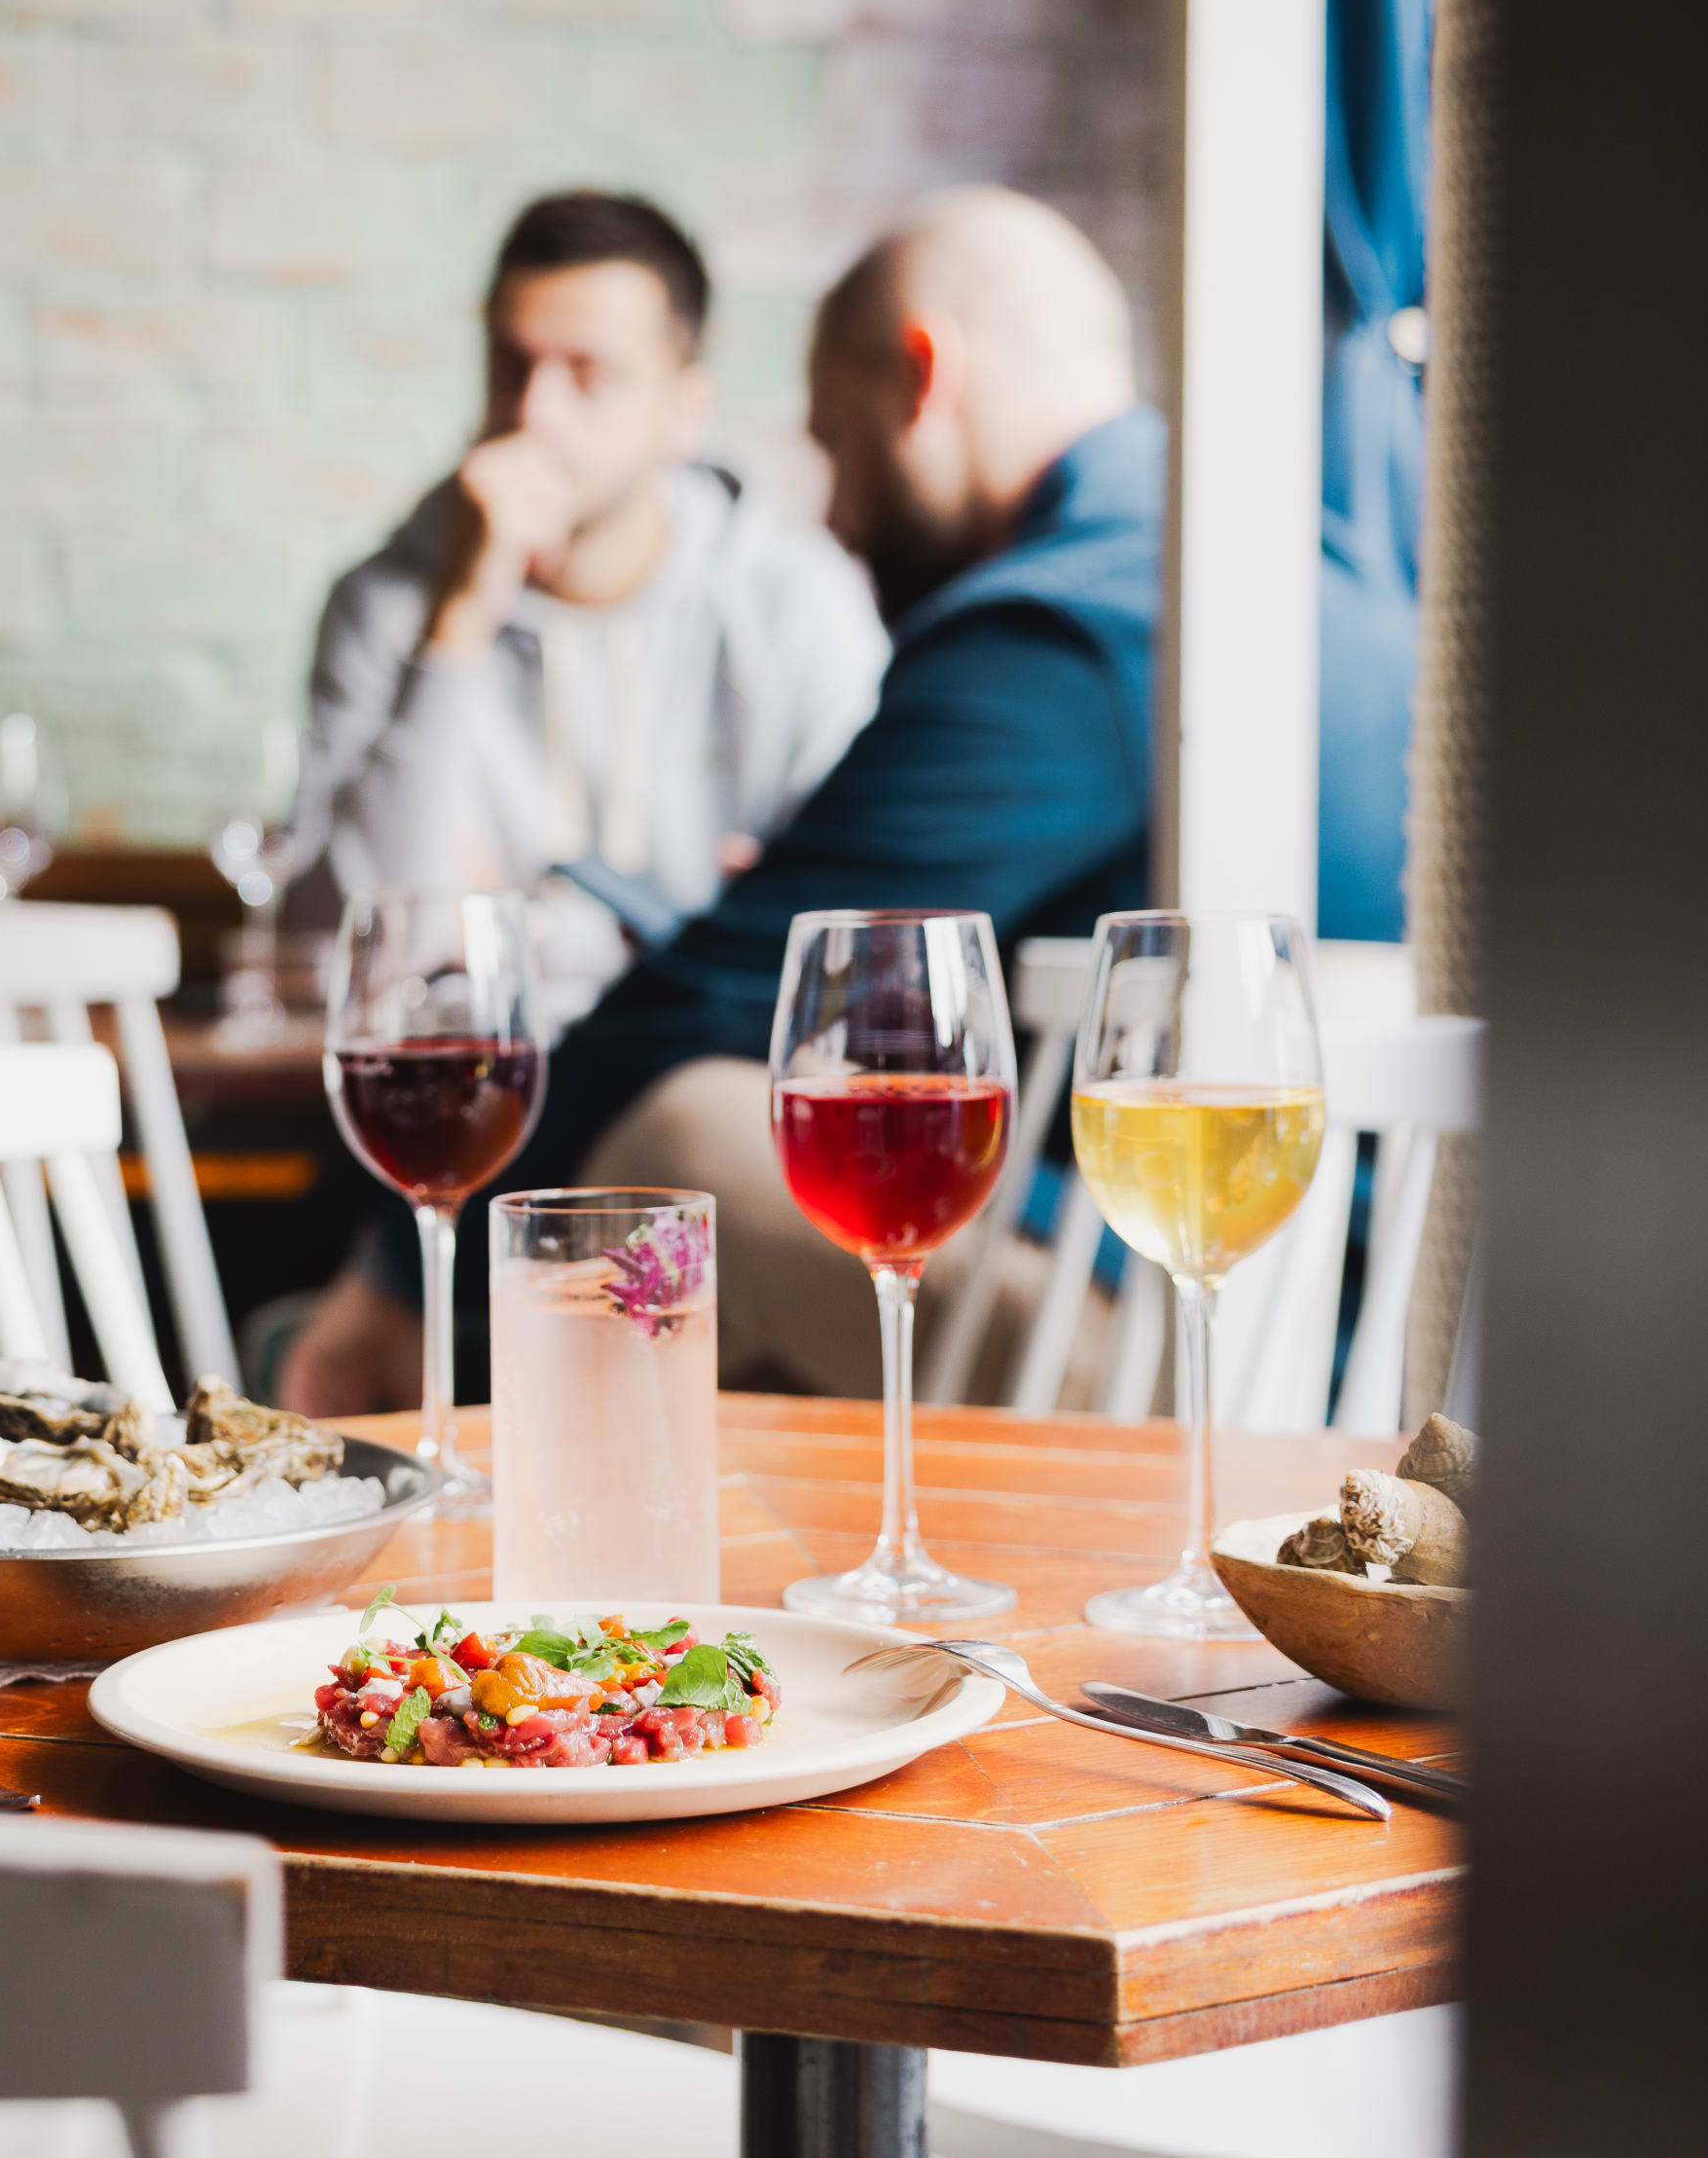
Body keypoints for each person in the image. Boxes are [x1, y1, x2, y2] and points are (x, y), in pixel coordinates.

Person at [281, 186, 1417, 1412]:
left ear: (923, 379)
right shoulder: (1313, 566)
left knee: (682, 1144)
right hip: (1361, 1298)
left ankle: (463, 1496)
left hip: (1220, 1339)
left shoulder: (1059, 634)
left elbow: (736, 987)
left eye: (834, 443)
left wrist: (396, 1284)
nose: (829, 507)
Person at [286, 192, 885, 1028]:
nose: (533, 413)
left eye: (588, 375)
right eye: (510, 366)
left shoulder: (796, 601)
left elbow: (852, 940)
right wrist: (456, 626)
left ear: (684, 412)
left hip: (703, 1060)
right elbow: (345, 955)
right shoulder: (387, 606)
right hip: (477, 1094)